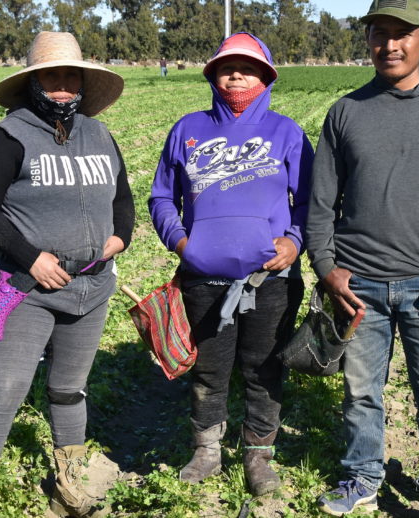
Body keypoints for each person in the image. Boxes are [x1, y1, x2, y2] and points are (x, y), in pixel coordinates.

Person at [304, 0, 419, 515]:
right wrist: (327, 268)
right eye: (378, 34)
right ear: (367, 41)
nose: (389, 45)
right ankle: (362, 477)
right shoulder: (346, 111)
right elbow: (320, 203)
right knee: (362, 392)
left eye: (401, 34)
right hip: (358, 286)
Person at [0, 31, 135, 518]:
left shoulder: (99, 134)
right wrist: (31, 257)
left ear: (82, 81)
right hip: (25, 290)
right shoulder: (8, 136)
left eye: (69, 75)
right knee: (7, 387)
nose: (61, 85)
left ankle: (67, 482)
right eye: (50, 75)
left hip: (91, 290)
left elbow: (123, 203)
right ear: (33, 81)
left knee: (68, 388)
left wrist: (118, 240)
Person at [148, 32, 313, 496]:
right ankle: (207, 450)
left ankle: (259, 455)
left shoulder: (287, 133)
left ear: (267, 75)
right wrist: (182, 243)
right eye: (226, 67)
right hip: (205, 278)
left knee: (264, 368)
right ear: (212, 76)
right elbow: (162, 195)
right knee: (209, 368)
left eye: (247, 67)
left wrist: (295, 242)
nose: (236, 74)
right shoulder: (187, 128)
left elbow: (308, 202)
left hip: (270, 281)